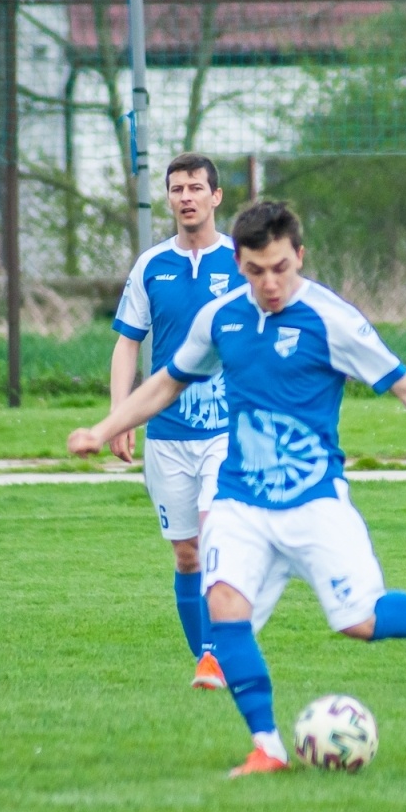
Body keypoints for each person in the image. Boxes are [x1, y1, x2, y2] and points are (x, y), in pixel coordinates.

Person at [69, 201, 406, 777]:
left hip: (314, 500)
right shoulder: (220, 319)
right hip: (239, 498)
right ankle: (268, 747)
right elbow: (165, 382)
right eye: (257, 270)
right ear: (238, 263)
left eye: (282, 268)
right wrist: (105, 427)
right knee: (224, 609)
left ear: (300, 257)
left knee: (358, 621)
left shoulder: (330, 319)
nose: (270, 283)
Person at [109, 152, 241, 691]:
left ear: (216, 197)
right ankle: (207, 658)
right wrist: (121, 416)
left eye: (195, 187)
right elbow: (126, 345)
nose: (185, 197)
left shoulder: (240, 259)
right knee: (186, 555)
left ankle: (214, 656)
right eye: (176, 188)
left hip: (227, 431)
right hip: (167, 434)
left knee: (213, 540)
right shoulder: (151, 265)